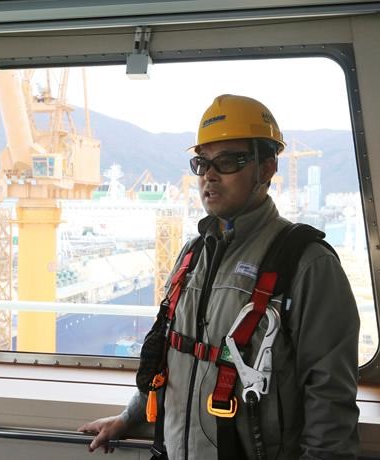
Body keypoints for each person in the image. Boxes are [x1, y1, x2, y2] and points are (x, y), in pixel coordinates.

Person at [79, 94, 360, 459]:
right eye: (202, 163)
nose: (209, 175)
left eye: (227, 161)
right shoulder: (192, 255)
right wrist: (130, 416)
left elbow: (330, 396)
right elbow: (169, 356)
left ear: (267, 168)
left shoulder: (306, 264)